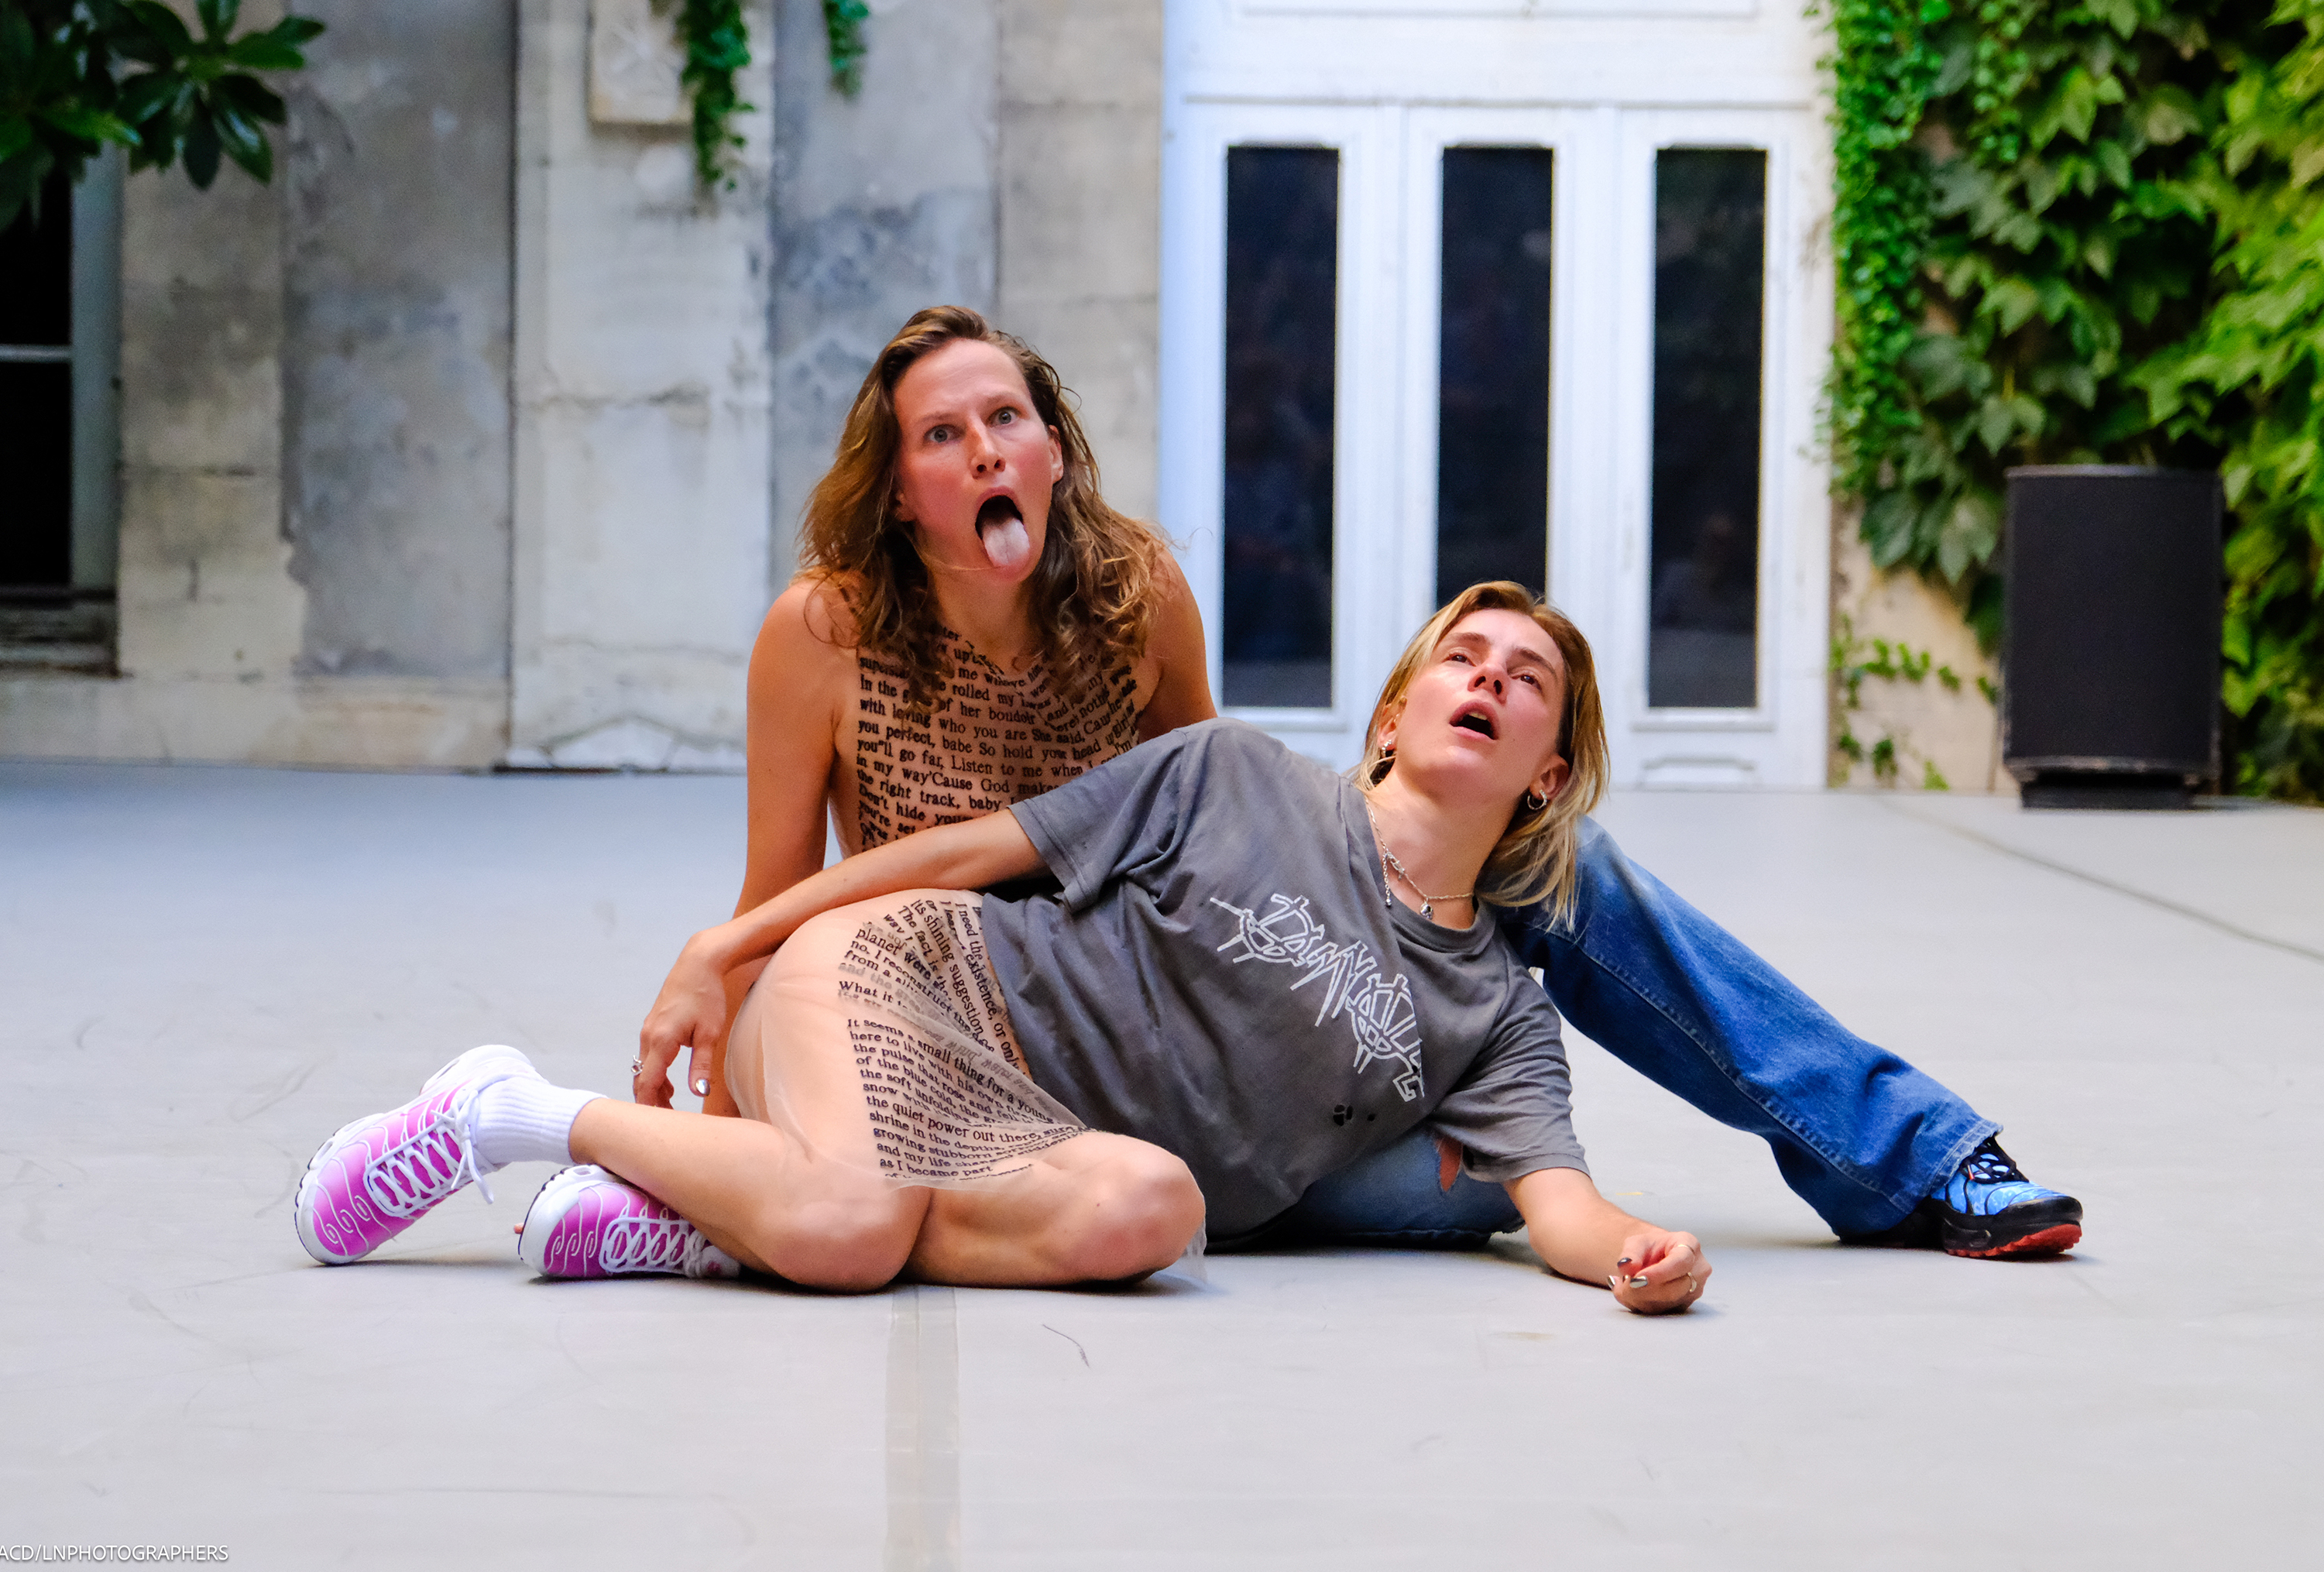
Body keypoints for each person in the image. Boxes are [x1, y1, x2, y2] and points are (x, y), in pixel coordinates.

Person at [671, 304, 2080, 1261]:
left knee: (1552, 885)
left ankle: (1913, 1154)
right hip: (975, 1007)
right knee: (1464, 1192)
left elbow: (1215, 818)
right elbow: (778, 887)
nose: (984, 450)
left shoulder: (1132, 594)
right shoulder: (825, 633)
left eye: (1008, 419)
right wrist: (738, 1095)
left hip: (1161, 993)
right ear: (896, 485)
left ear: (1052, 448)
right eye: (941, 435)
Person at [294, 587, 1715, 1313]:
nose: (1488, 679)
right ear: (1394, 715)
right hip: (919, 976)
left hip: (1029, 1135)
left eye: (1525, 681)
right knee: (855, 1227)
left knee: (1155, 1212)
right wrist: (730, 944)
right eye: (1463, 657)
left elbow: (1558, 1204)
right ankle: (508, 1110)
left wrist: (1638, 1254)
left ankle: (716, 1222)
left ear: (1545, 772)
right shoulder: (1230, 772)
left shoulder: (1496, 1014)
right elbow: (967, 852)